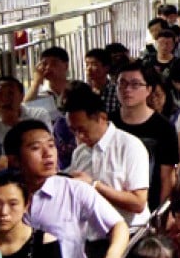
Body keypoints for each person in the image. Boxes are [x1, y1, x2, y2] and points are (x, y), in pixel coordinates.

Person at [4, 119, 129, 258]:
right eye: (35, 148)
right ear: (15, 160)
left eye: (51, 145)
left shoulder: (75, 190)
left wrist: (114, 255)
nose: (48, 153)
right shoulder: (2, 196)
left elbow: (118, 225)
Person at [65, 86, 152, 228]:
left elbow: (138, 203)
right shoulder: (79, 153)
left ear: (102, 118)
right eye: (74, 131)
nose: (79, 136)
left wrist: (95, 185)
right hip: (92, 235)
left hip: (131, 233)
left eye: (82, 130)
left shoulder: (129, 146)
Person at [113, 62, 179, 213]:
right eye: (122, 83)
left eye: (135, 84)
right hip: (111, 207)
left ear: (149, 89)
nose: (127, 89)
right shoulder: (109, 123)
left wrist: (160, 214)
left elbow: (167, 177)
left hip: (148, 208)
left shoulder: (164, 127)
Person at [0, 77, 53, 146]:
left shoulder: (38, 116)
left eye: (10, 93)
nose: (5, 99)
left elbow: (47, 145)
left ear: (21, 96)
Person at [85, 47, 119, 116]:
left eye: (94, 65)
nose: (89, 68)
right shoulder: (83, 91)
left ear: (106, 67)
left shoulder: (117, 91)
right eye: (87, 64)